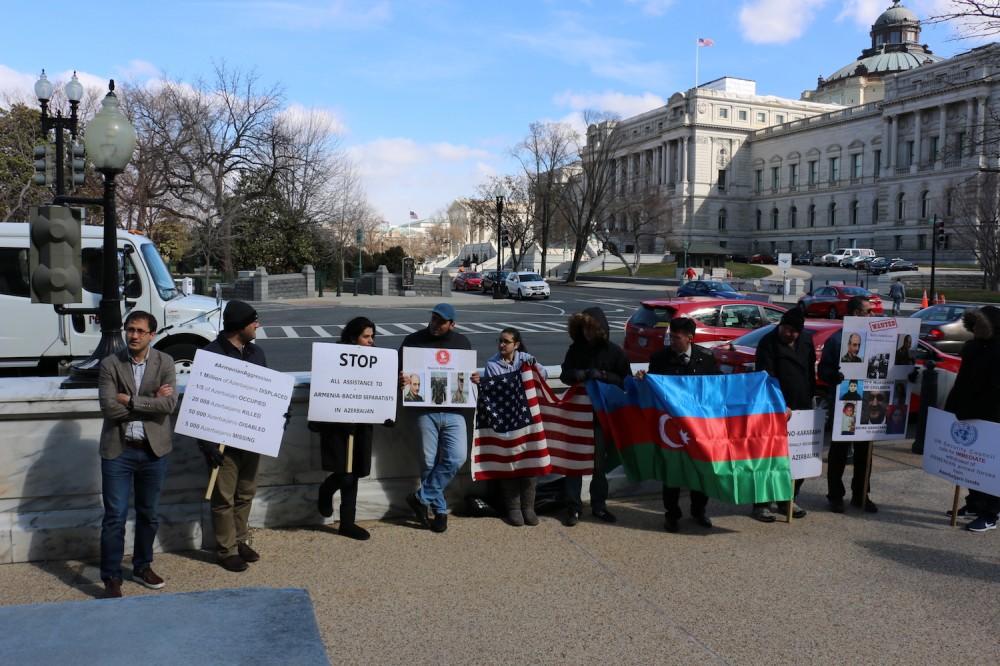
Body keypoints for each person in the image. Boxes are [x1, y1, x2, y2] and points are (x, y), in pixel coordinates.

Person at [97, 310, 177, 598]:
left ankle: (143, 566)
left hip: (154, 452)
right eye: (130, 329)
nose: (133, 335)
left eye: (140, 331)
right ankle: (111, 576)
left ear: (151, 335)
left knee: (149, 514)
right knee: (115, 517)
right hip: (118, 451)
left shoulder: (165, 362)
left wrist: (130, 400)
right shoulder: (110, 363)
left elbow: (169, 406)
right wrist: (150, 402)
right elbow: (108, 408)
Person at [198, 300, 269, 572]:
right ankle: (225, 549)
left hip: (251, 437)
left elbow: (264, 393)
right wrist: (206, 444)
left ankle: (240, 540)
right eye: (254, 321)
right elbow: (200, 403)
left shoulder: (257, 353)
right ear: (240, 326)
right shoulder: (211, 354)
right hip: (221, 440)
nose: (257, 325)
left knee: (246, 493)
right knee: (223, 497)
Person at [399, 303, 479, 534]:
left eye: (441, 321)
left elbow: (465, 377)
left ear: (452, 324)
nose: (435, 324)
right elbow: (396, 370)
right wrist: (400, 381)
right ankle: (440, 511)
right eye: (433, 319)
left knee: (456, 457)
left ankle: (420, 498)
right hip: (423, 410)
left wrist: (474, 378)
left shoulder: (462, 342)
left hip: (455, 411)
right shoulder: (413, 340)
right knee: (428, 462)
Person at [636, 317, 718, 532]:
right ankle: (672, 514)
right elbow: (654, 390)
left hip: (698, 428)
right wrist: (644, 379)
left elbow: (717, 389)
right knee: (671, 474)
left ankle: (699, 511)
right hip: (671, 428)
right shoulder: (660, 358)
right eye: (670, 336)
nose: (671, 340)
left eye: (676, 337)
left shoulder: (706, 358)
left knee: (701, 471)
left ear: (690, 338)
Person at [310, 317, 380, 541]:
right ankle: (326, 490)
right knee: (345, 474)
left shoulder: (376, 359)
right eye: (366, 337)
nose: (371, 341)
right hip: (337, 425)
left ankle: (347, 523)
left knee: (356, 471)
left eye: (372, 337)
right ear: (352, 338)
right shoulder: (332, 357)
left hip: (361, 425)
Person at [560, 307, 631, 527]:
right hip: (577, 414)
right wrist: (578, 374)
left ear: (599, 329)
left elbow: (626, 381)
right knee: (574, 464)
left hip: (602, 417)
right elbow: (564, 375)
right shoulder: (575, 349)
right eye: (584, 329)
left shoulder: (614, 352)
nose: (587, 333)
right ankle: (573, 507)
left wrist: (603, 376)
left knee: (599, 465)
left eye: (590, 329)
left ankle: (599, 506)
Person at [481, 327, 547, 527]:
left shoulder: (525, 359)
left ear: (516, 345)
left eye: (506, 341)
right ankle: (513, 508)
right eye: (500, 341)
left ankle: (529, 507)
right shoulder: (492, 364)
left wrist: (533, 365)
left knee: (529, 462)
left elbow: (541, 376)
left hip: (527, 419)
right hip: (506, 420)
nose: (501, 345)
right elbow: (495, 389)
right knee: (509, 463)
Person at [752, 308, 814, 522]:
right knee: (771, 458)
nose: (790, 335)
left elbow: (809, 373)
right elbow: (766, 378)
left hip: (802, 405)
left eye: (795, 332)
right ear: (781, 325)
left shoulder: (806, 341)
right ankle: (762, 503)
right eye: (787, 330)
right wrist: (780, 404)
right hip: (775, 408)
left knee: (798, 458)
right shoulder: (767, 343)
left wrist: (811, 398)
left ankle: (788, 498)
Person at [819, 296, 878, 514]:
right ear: (855, 313)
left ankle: (861, 494)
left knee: (865, 452)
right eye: (867, 311)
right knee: (840, 452)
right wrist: (835, 376)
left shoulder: (876, 339)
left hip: (868, 403)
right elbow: (823, 372)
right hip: (845, 403)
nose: (872, 315)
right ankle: (835, 496)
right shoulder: (837, 340)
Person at [944, 306, 1000, 532]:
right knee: (971, 463)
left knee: (991, 466)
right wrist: (953, 406)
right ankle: (975, 503)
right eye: (973, 324)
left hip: (992, 414)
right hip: (970, 412)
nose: (975, 328)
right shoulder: (972, 348)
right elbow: (962, 380)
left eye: (979, 324)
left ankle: (992, 512)